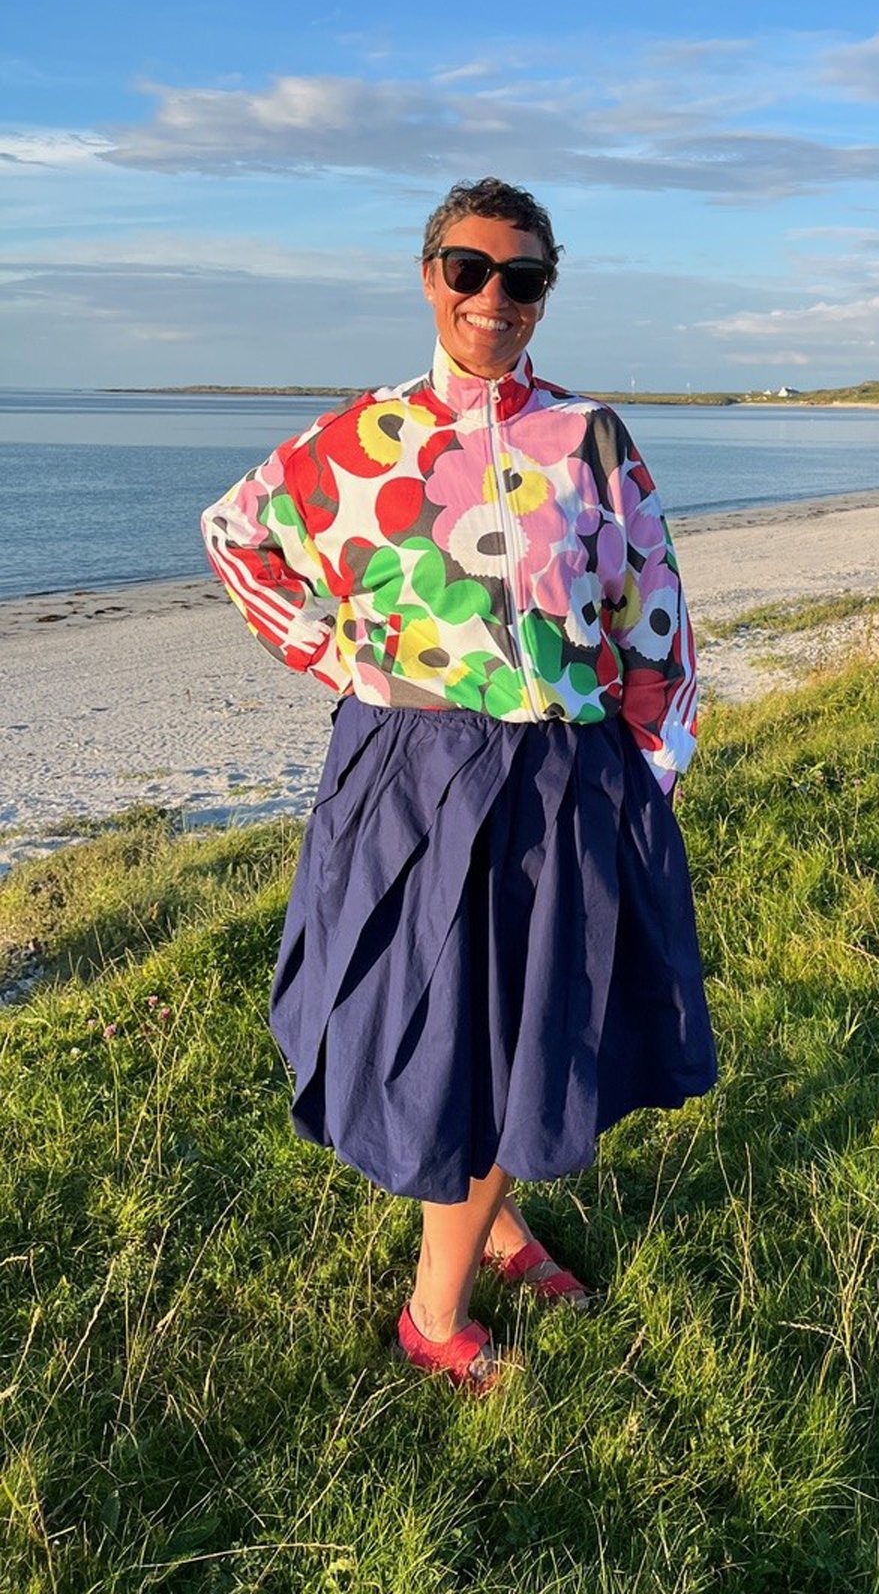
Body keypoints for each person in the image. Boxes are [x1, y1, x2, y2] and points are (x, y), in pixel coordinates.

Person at [201, 178, 717, 1396]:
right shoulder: (363, 439)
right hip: (417, 773)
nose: (494, 298)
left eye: (522, 277)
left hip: (562, 768)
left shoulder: (589, 436)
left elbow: (657, 604)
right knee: (460, 1042)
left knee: (534, 1017)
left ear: (546, 291)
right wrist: (337, 655)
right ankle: (435, 1316)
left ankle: (492, 1226)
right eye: (468, 270)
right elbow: (238, 533)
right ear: (428, 274)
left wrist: (657, 759)